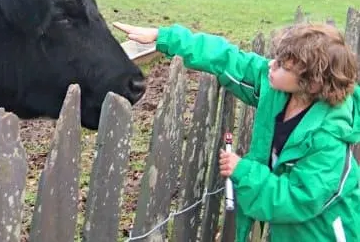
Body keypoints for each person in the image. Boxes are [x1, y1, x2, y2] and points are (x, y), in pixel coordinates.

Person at [113, 21, 360, 242]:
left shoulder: (329, 140)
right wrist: (163, 37)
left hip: (322, 233)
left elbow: (299, 199)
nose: (271, 66)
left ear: (313, 82)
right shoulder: (282, 90)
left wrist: (244, 171)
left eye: (283, 66)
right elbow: (227, 58)